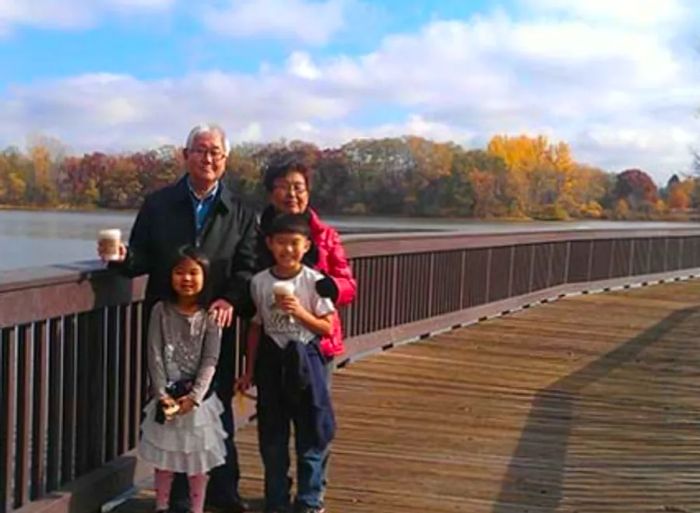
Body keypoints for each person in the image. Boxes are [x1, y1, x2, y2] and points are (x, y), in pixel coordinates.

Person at [98, 123, 256, 512]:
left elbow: (248, 267)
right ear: (184, 155)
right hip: (168, 323)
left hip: (214, 323)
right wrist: (120, 258)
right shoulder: (158, 204)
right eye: (200, 150)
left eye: (216, 152)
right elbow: (141, 257)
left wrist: (230, 299)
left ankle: (222, 491)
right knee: (169, 407)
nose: (208, 158)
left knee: (213, 407)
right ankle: (178, 499)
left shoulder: (241, 210)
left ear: (226, 158)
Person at [258, 156, 356, 503]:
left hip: (317, 344)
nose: (291, 194)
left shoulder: (325, 236)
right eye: (283, 187)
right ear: (271, 193)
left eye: (298, 187)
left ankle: (313, 496)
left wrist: (329, 286)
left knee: (315, 423)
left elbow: (348, 284)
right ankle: (277, 495)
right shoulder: (260, 236)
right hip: (272, 346)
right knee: (273, 425)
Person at [237, 214, 336, 513]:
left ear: (306, 245)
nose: (287, 250)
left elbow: (328, 327)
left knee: (310, 432)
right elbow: (255, 326)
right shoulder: (260, 282)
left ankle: (309, 500)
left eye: (294, 243)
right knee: (272, 436)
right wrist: (249, 370)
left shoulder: (315, 281)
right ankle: (276, 499)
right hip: (272, 361)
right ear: (269, 244)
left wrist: (299, 313)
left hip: (306, 359)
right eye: (281, 243)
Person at [138, 246, 226, 513]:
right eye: (179, 272)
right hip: (166, 396)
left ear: (205, 277)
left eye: (193, 273)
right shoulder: (160, 311)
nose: (186, 279)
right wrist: (161, 393)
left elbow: (211, 360)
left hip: (197, 399)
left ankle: (196, 508)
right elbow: (154, 354)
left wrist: (195, 397)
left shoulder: (210, 316)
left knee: (197, 458)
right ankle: (162, 505)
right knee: (164, 456)